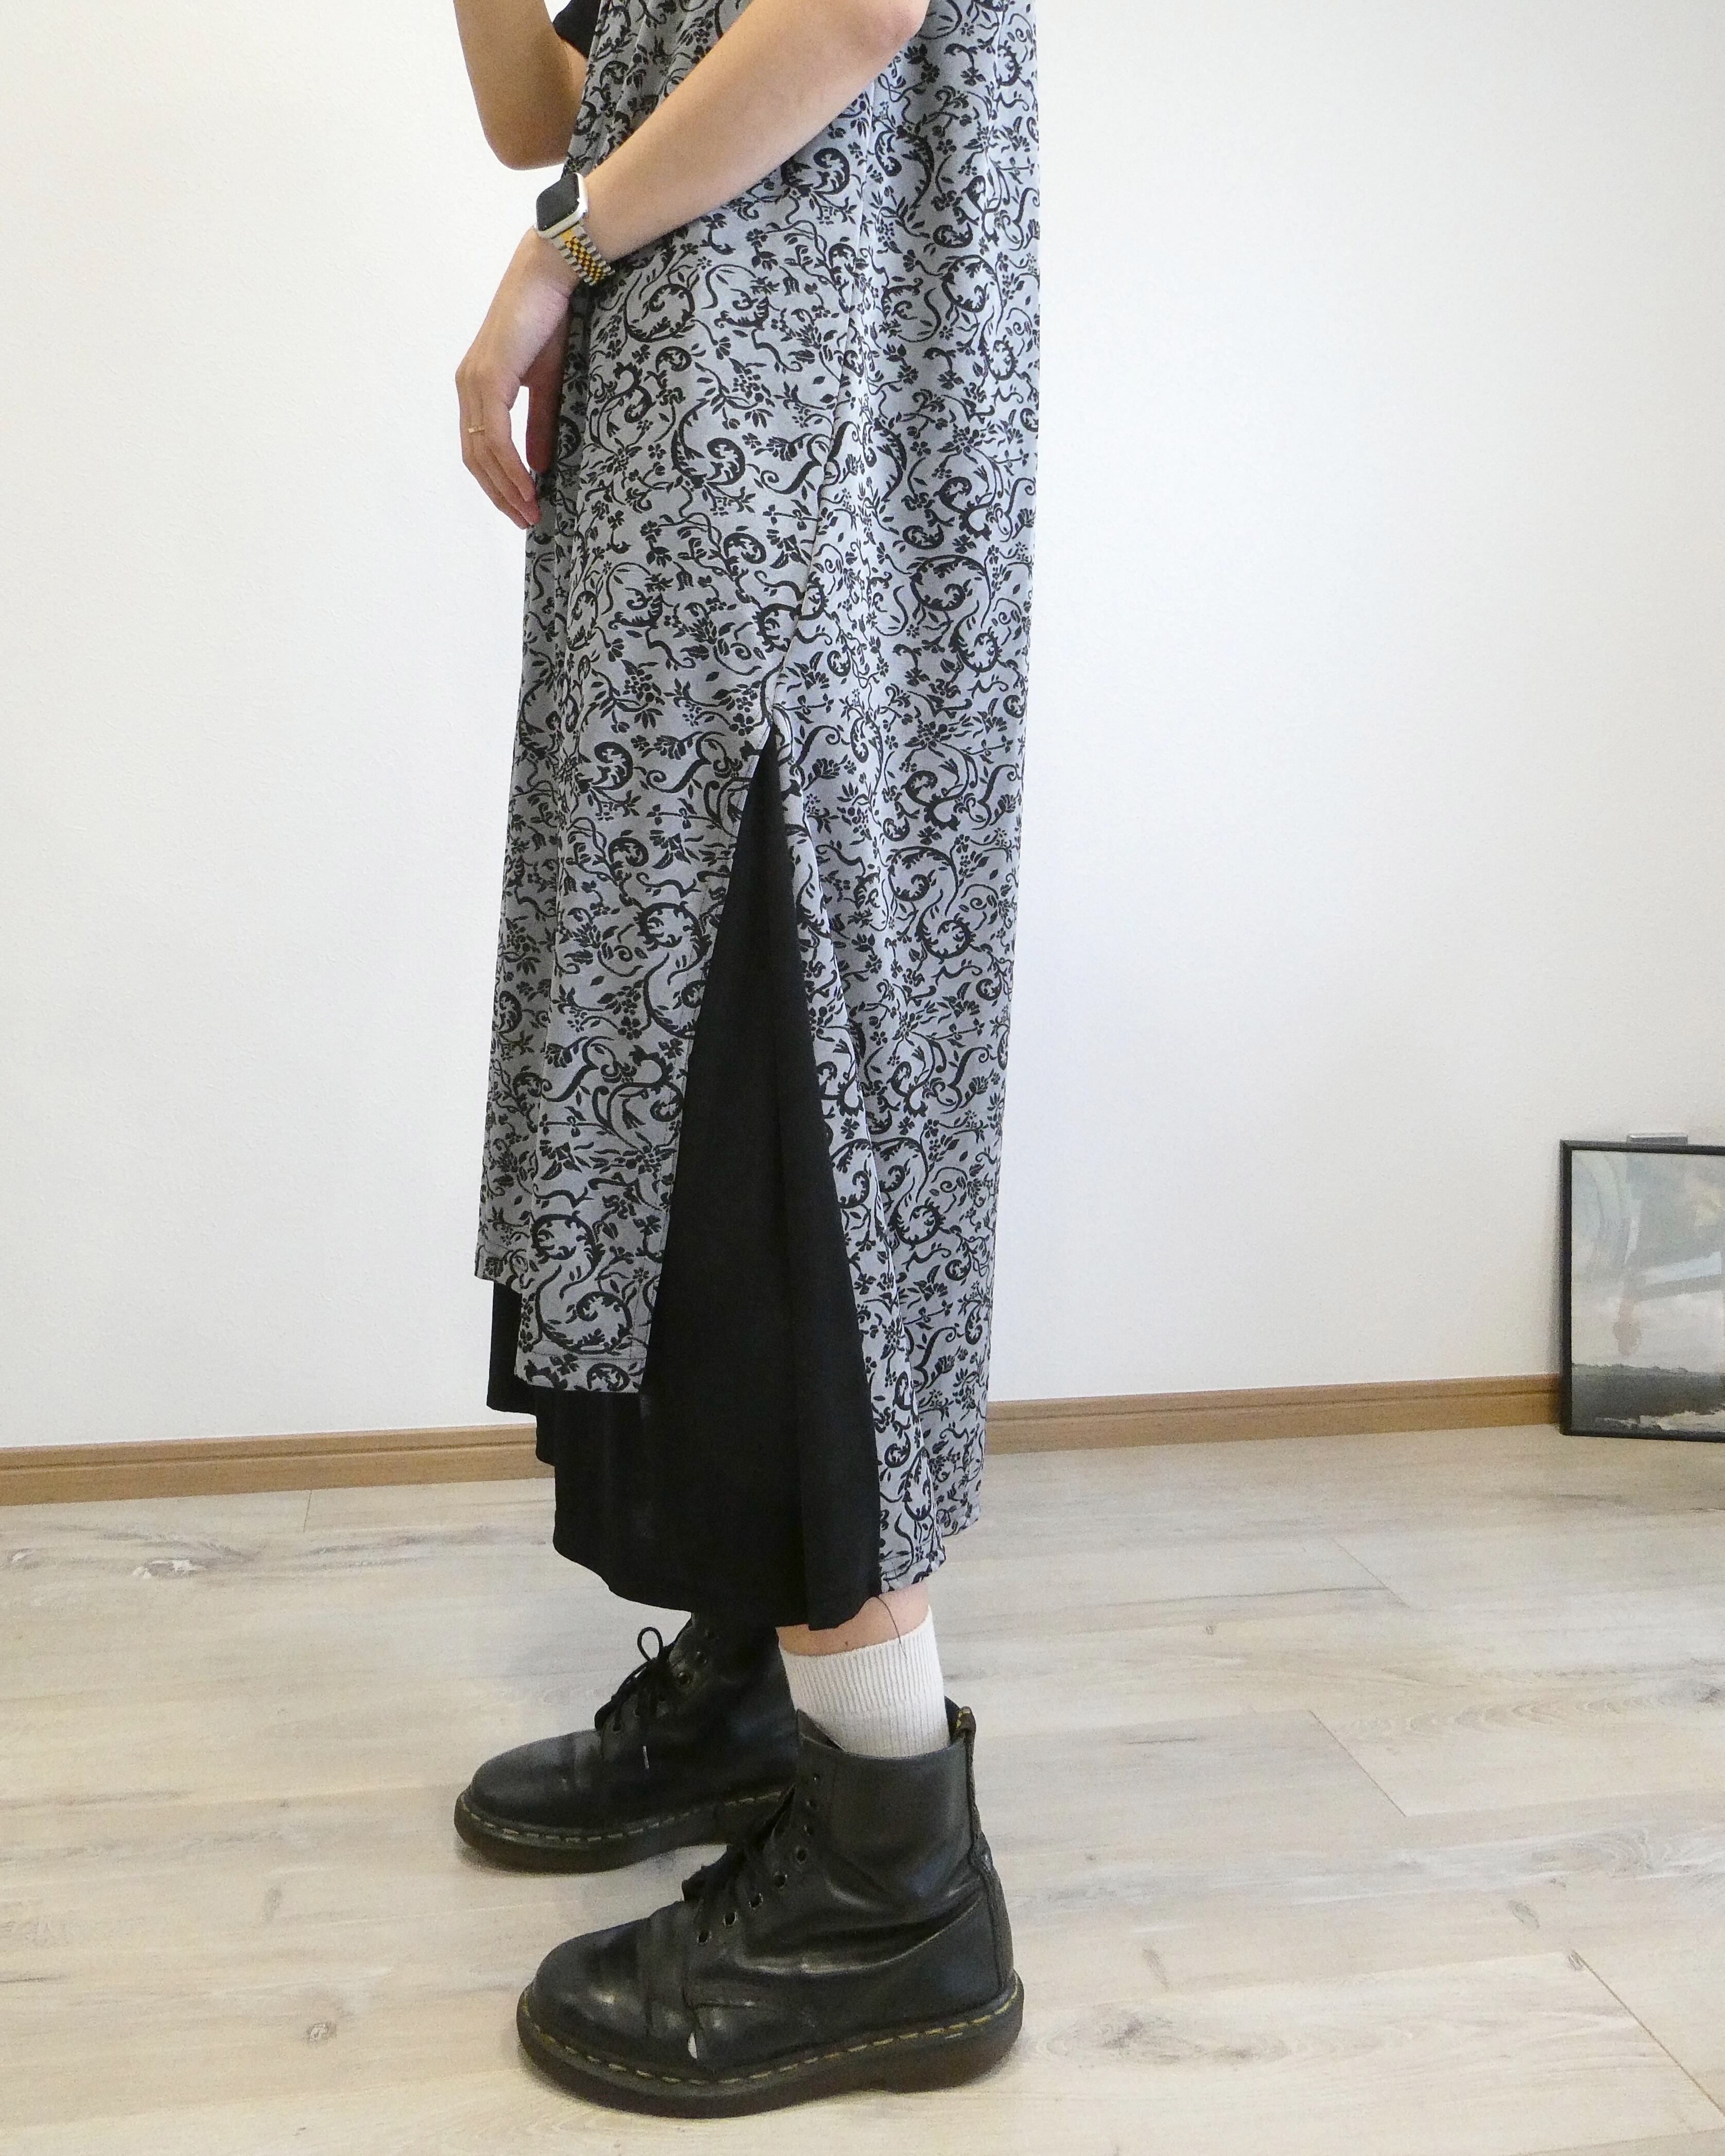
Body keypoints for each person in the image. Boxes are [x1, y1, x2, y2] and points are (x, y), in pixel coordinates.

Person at [446, 0, 1038, 2116]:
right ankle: (747, 1682)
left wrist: (558, 253)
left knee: (763, 1093)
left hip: (799, 446)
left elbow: (857, 9)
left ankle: (894, 1879)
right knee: (648, 1063)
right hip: (686, 435)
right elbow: (546, 96)